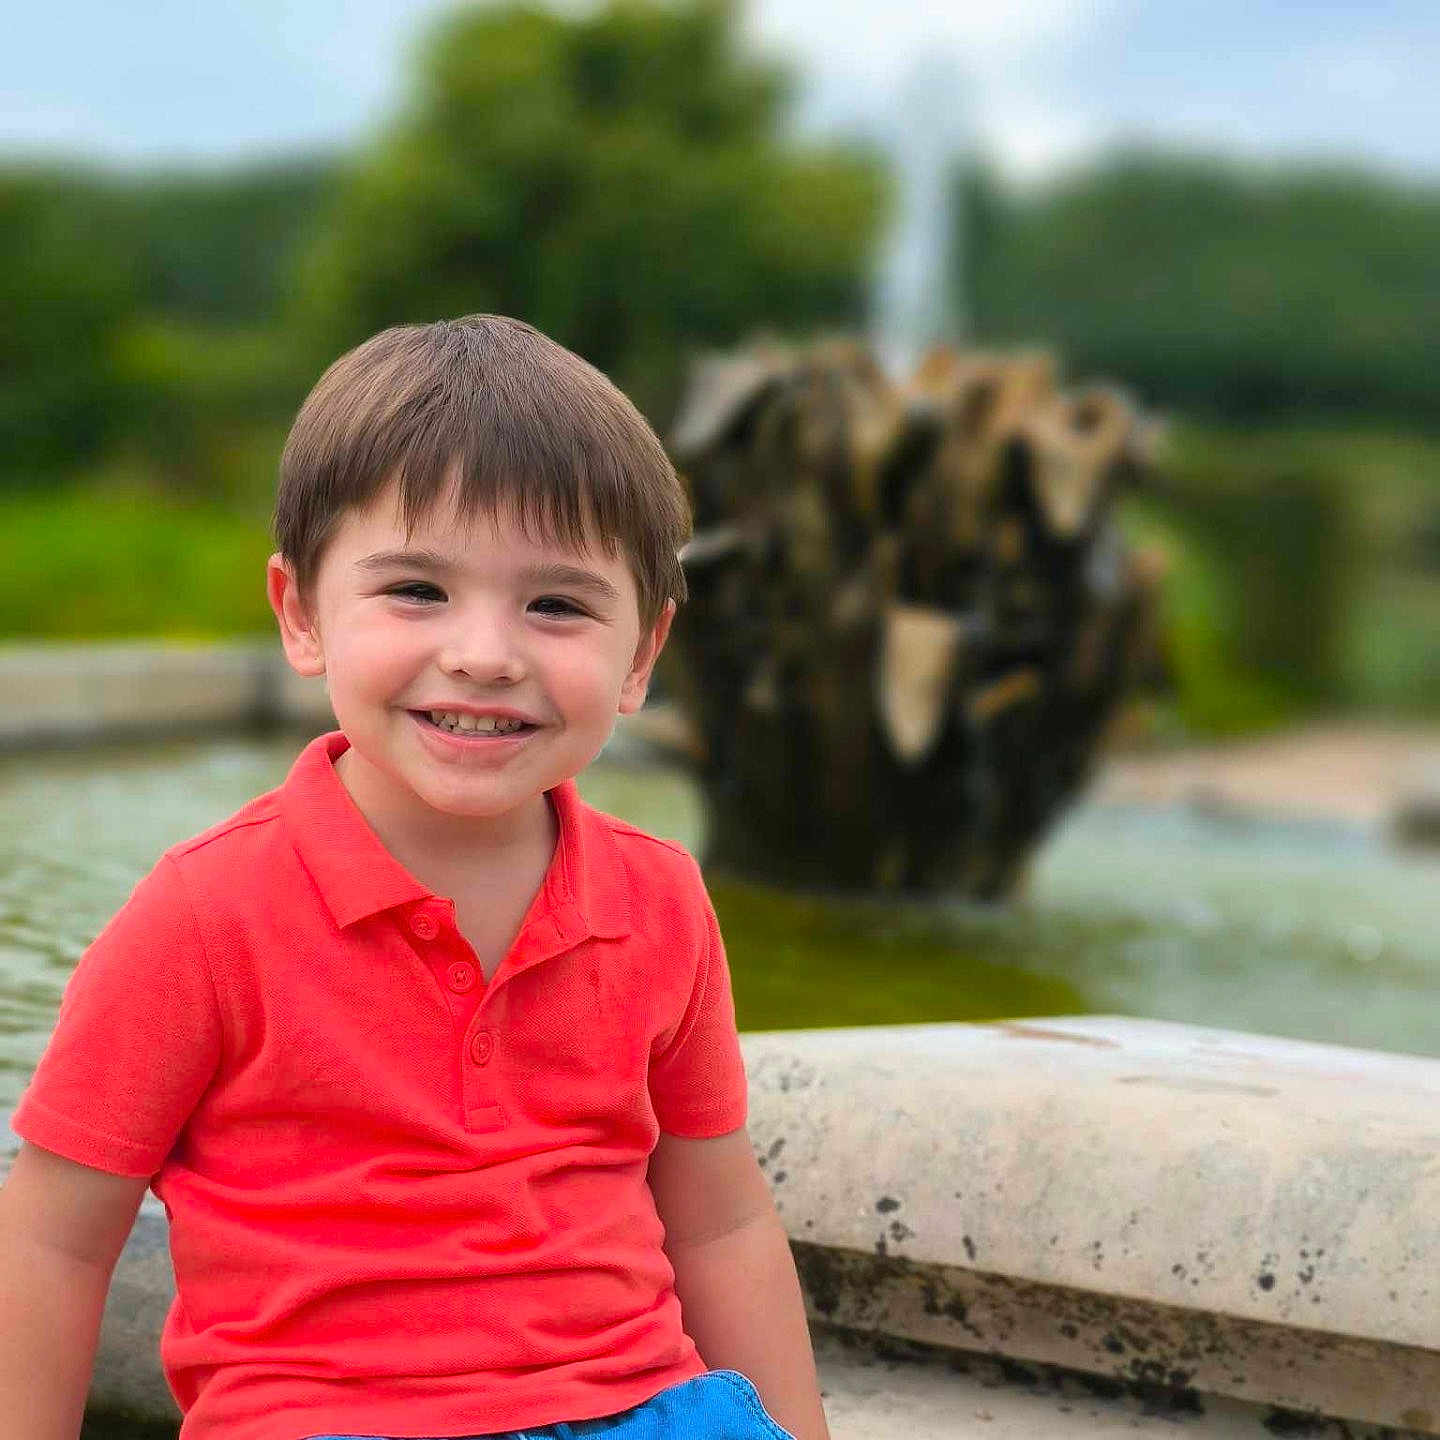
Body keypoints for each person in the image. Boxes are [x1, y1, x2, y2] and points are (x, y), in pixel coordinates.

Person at [0, 316, 831, 1440]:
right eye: (417, 591)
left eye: (558, 604)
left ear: (642, 655)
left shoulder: (659, 902)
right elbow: (54, 1237)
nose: (485, 653)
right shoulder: (207, 916)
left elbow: (721, 1224)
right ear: (300, 615)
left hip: (639, 1409)